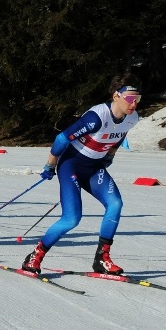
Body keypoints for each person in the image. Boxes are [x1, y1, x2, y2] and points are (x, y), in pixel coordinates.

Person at [20, 74, 142, 277]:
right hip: (72, 165)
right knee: (71, 219)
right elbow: (62, 138)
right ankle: (35, 255)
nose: (134, 103)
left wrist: (110, 154)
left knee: (115, 204)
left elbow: (121, 134)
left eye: (138, 99)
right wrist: (50, 165)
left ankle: (102, 259)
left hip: (94, 167)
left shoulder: (133, 118)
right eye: (130, 98)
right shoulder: (96, 117)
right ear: (116, 96)